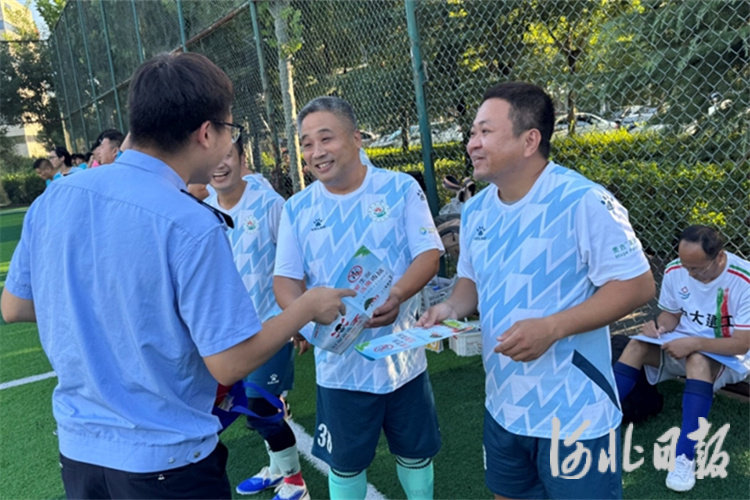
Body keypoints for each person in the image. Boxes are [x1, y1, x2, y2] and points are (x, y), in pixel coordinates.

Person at [1, 52, 353, 500]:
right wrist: (306, 307)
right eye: (230, 130)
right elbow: (229, 362)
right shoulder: (190, 224)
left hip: (80, 454)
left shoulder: (55, 199)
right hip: (167, 462)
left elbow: (15, 305)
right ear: (207, 133)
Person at [418, 81, 655, 499]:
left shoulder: (582, 200)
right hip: (503, 406)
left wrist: (552, 328)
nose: (472, 144)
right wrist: (449, 308)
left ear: (530, 140)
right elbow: (470, 284)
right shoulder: (477, 210)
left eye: (485, 132)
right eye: (472, 133)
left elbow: (637, 285)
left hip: (575, 412)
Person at [273, 96, 444, 500]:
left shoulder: (400, 189)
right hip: (339, 368)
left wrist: (397, 295)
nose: (316, 152)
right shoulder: (298, 208)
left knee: (416, 453)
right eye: (306, 144)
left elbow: (428, 254)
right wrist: (305, 318)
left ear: (355, 138)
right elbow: (285, 281)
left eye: (326, 138)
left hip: (402, 360)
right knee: (346, 463)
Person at [205, 135, 309, 500]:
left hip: (270, 326)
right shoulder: (202, 209)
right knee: (243, 407)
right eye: (213, 157)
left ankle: (295, 482)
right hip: (225, 333)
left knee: (260, 406)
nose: (220, 165)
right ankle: (278, 469)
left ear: (241, 158)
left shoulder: (269, 204)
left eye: (228, 156)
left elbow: (296, 263)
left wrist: (299, 320)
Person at [613, 225, 750, 492]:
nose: (689, 273)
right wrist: (658, 327)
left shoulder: (743, 279)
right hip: (681, 343)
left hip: (728, 355)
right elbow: (671, 315)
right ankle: (600, 421)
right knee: (636, 345)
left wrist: (694, 343)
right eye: (685, 266)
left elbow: (742, 343)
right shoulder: (677, 269)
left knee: (697, 359)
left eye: (697, 268)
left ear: (720, 257)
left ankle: (685, 456)